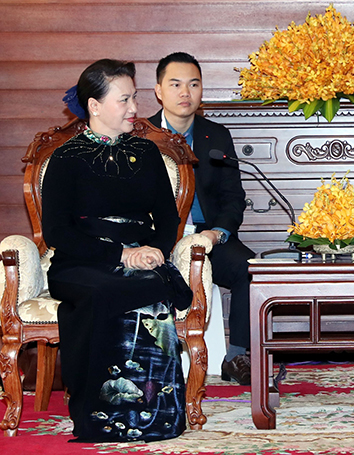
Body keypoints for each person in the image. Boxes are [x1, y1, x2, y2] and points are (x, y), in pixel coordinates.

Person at [43, 59, 192, 442]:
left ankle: (157, 414)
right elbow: (57, 232)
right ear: (95, 105)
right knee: (109, 289)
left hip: (141, 256)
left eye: (134, 98)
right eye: (124, 100)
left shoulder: (147, 153)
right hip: (80, 263)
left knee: (149, 284)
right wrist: (120, 255)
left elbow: (168, 218)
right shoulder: (65, 158)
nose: (134, 108)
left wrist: (155, 250)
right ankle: (99, 416)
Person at [148, 52, 254, 385]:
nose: (185, 93)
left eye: (193, 85)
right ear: (158, 91)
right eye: (175, 84)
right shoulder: (141, 136)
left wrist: (216, 233)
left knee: (250, 270)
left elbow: (233, 197)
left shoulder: (216, 136)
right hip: (159, 239)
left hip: (207, 237)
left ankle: (237, 356)